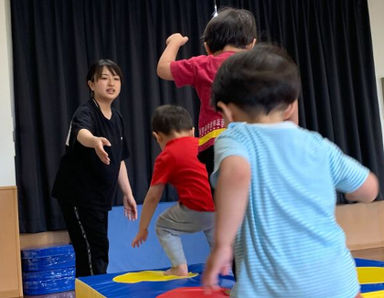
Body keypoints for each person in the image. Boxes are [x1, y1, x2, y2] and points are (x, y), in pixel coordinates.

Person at [202, 44, 379, 297]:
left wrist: (221, 245)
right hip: (337, 283)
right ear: (290, 105)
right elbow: (369, 188)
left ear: (226, 112)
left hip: (271, 289)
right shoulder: (318, 144)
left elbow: (236, 172)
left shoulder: (237, 137)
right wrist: (355, 194)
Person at [52, 59, 138, 277]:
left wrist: (127, 193)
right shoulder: (85, 112)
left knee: (98, 249)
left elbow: (119, 159)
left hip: (99, 198)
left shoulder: (117, 117)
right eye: (104, 78)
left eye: (116, 78)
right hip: (77, 196)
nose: (111, 83)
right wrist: (94, 141)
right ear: (91, 84)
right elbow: (82, 134)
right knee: (92, 251)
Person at [157, 7, 257, 177]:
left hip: (214, 145)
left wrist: (174, 42)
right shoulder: (260, 65)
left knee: (221, 198)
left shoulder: (202, 64)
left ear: (207, 47)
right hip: (252, 141)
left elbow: (163, 69)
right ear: (252, 44)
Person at [131, 105, 215, 276]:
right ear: (192, 131)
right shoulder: (203, 144)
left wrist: (143, 228)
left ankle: (179, 267)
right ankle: (224, 263)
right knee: (214, 230)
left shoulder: (166, 156)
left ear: (158, 137)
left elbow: (153, 196)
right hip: (222, 206)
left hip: (197, 209)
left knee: (164, 226)